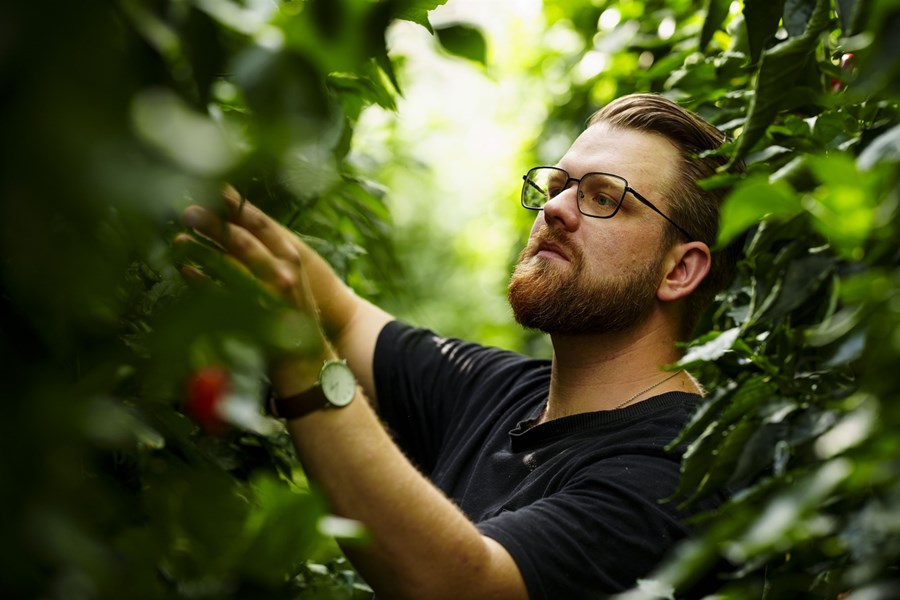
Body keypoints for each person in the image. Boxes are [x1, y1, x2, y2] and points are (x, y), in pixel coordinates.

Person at [179, 93, 738, 599]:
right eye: (558, 186)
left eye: (603, 198)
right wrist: (199, 191)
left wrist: (303, 362)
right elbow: (343, 315)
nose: (555, 209)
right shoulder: (502, 392)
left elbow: (456, 584)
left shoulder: (682, 472)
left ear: (680, 269)